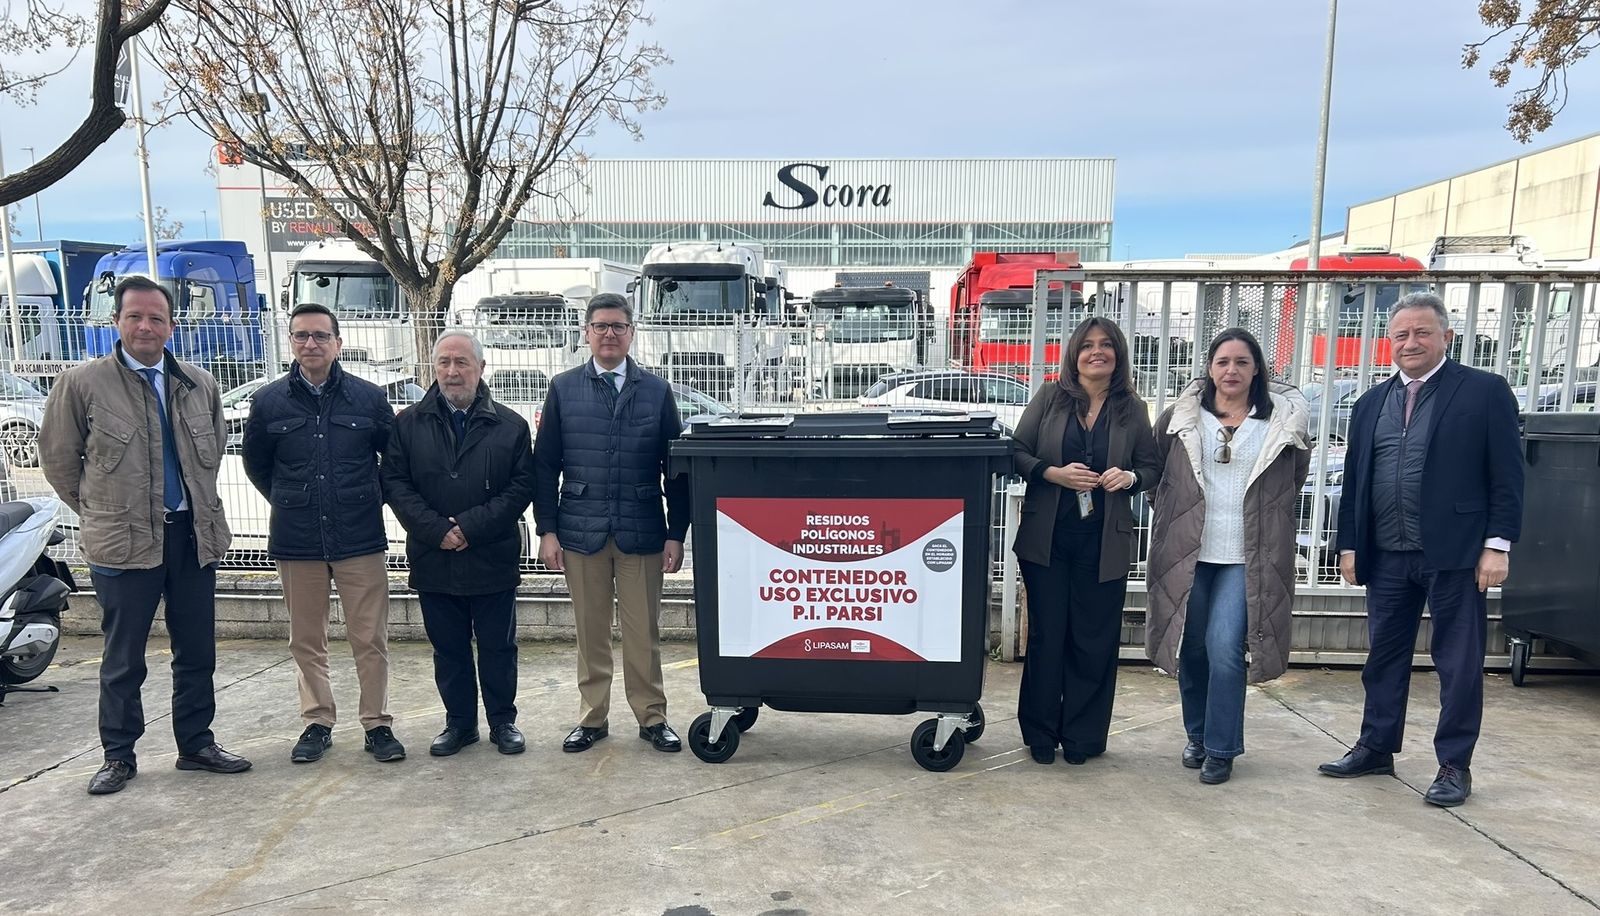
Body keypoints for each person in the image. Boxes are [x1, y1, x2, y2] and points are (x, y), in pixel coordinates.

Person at [38, 276, 251, 795]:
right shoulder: (83, 383)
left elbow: (213, 451)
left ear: (171, 326)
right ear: (117, 321)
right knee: (123, 656)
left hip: (191, 538)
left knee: (197, 651)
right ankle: (118, 755)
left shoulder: (199, 384)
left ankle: (196, 744)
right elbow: (59, 462)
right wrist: (101, 512)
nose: (145, 326)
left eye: (156, 317)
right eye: (135, 316)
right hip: (124, 543)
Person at [1318, 292, 1523, 807]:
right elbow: (1357, 483)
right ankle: (1376, 746)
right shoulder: (1369, 404)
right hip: (1386, 553)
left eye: (1422, 332)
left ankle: (1454, 764)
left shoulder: (1483, 392)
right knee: (1383, 657)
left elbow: (1508, 475)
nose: (1411, 343)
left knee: (1457, 663)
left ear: (1446, 337)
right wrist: (1349, 545)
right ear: (1390, 343)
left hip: (1455, 555)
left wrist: (1496, 546)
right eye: (1401, 335)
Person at [1144, 328, 1310, 785]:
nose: (1231, 370)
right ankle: (1196, 735)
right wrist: (1182, 519)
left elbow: (1289, 483)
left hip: (1246, 557)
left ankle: (1221, 747)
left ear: (1257, 368)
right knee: (1191, 647)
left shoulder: (1281, 423)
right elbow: (1159, 478)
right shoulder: (1182, 418)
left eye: (1241, 361)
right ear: (1210, 368)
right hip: (1190, 552)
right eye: (1222, 361)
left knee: (1225, 648)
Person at [241, 303, 404, 764]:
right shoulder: (269, 401)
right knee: (306, 638)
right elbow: (257, 464)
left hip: (359, 537)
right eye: (300, 336)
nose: (309, 344)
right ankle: (317, 721)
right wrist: (291, 499)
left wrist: (365, 500)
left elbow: (392, 464)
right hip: (298, 539)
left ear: (337, 342)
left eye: (319, 335)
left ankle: (377, 724)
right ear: (290, 342)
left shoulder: (369, 399)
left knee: (369, 638)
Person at [534, 292, 691, 754]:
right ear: (586, 334)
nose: (609, 334)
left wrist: (675, 533)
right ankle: (592, 718)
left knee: (644, 633)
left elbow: (675, 469)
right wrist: (547, 529)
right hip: (580, 530)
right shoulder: (564, 388)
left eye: (618, 326)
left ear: (631, 333)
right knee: (591, 632)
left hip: (641, 531)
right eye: (600, 326)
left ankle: (652, 717)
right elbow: (545, 466)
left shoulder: (657, 391)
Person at [1011, 316, 1162, 765]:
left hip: (1104, 542)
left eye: (1107, 345)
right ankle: (1040, 733)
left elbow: (1152, 466)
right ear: (1074, 354)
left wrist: (1131, 477)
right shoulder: (1051, 398)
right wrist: (1052, 473)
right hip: (1048, 539)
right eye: (1088, 345)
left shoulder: (1131, 407)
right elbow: (1016, 451)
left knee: (1093, 641)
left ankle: (1083, 737)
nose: (1097, 352)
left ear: (1118, 354)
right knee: (1047, 636)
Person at [382, 330, 535, 757]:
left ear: (481, 368)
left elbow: (521, 486)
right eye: (444, 362)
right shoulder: (408, 423)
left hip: (491, 558)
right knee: (448, 651)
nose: (452, 371)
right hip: (435, 559)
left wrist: (469, 526)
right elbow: (395, 482)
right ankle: (460, 724)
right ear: (434, 368)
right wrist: (436, 530)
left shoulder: (510, 426)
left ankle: (504, 722)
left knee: (498, 649)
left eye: (461, 362)